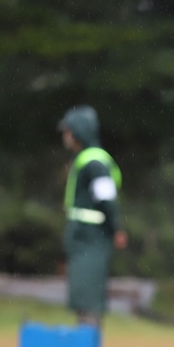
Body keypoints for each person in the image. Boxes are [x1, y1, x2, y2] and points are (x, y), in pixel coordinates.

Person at [58, 105, 127, 327]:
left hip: (92, 237)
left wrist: (116, 228)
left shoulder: (95, 161)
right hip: (83, 236)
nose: (65, 137)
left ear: (79, 131)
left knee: (88, 294)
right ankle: (82, 336)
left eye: (68, 131)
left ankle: (87, 340)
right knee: (82, 292)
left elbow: (106, 199)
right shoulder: (84, 158)